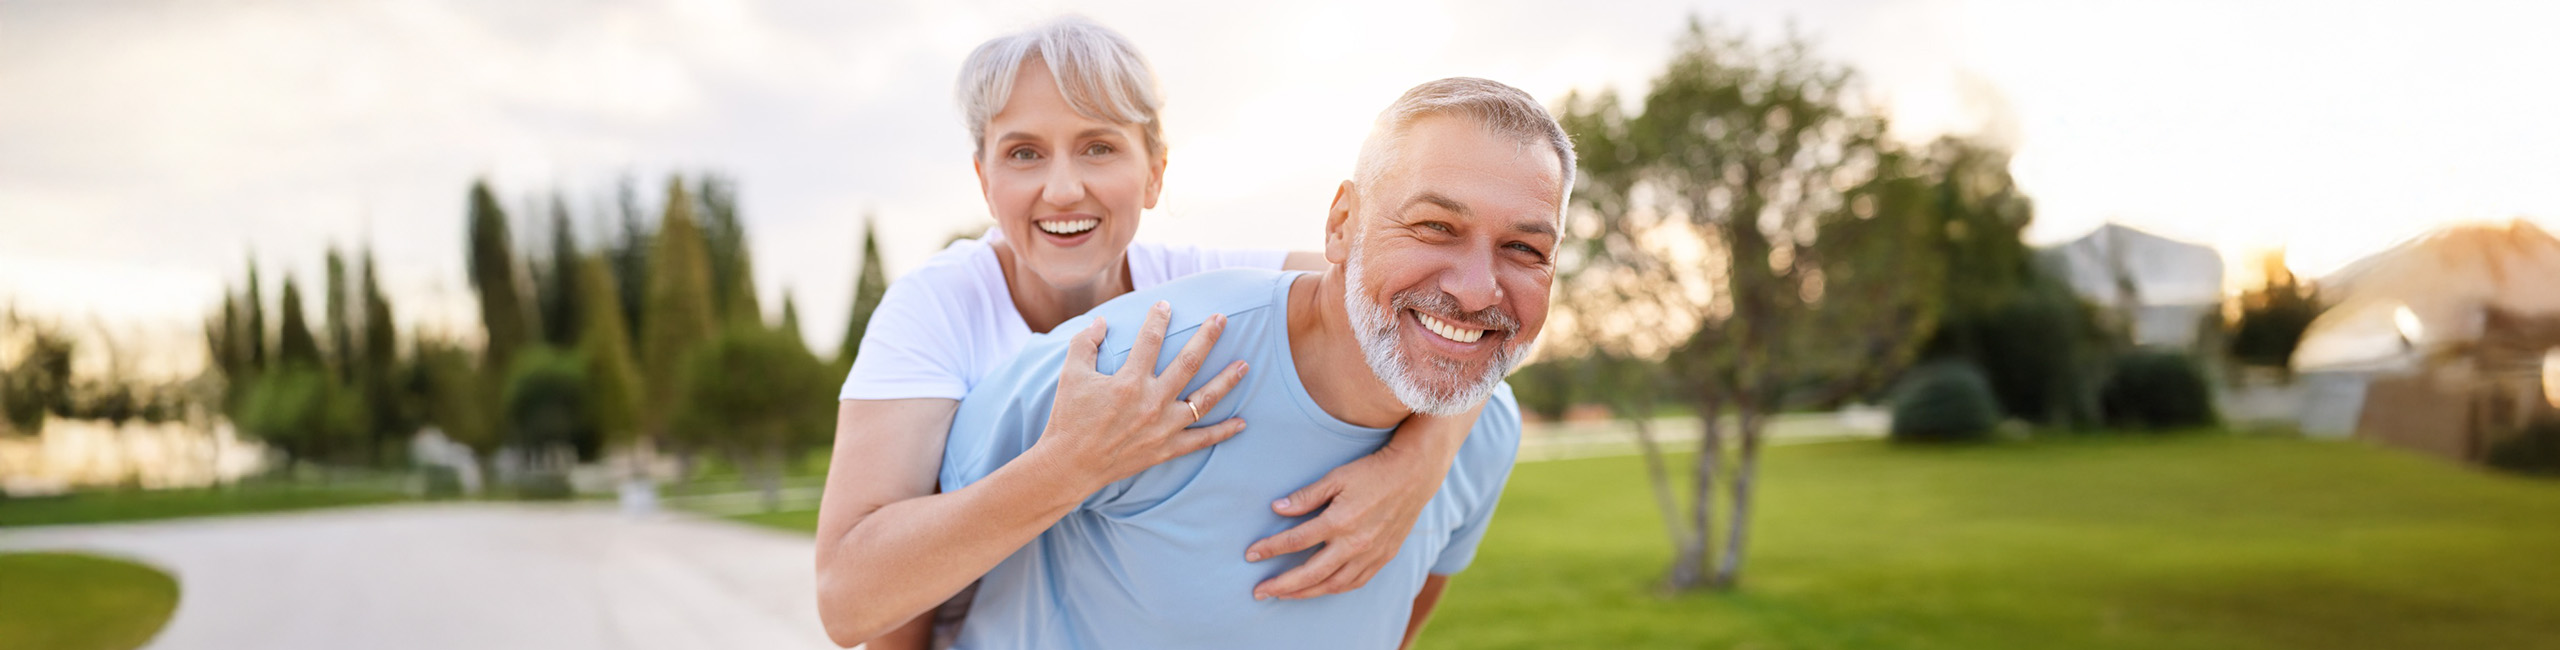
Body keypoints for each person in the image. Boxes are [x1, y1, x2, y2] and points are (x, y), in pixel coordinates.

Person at [812, 17, 1484, 649]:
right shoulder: (933, 310)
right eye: (1024, 154)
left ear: (1155, 171)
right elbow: (847, 603)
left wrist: (1418, 464)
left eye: (1099, 147)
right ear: (986, 181)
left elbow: (1444, 312)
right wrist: (1071, 467)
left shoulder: (1205, 284)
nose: (1063, 188)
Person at [936, 77, 1574, 649]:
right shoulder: (1126, 368)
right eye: (1435, 227)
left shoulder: (1483, 428)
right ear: (1342, 223)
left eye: (1523, 247)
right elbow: (881, 599)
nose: (1476, 289)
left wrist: (1423, 457)